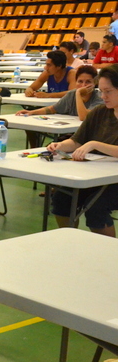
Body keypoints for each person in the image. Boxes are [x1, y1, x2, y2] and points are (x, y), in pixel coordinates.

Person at [47, 66, 118, 237]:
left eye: (108, 91)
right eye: (101, 91)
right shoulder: (100, 112)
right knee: (62, 198)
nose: (103, 97)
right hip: (95, 175)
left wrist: (95, 144)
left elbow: (90, 143)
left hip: (114, 181)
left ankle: (108, 254)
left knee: (96, 207)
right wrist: (60, 146)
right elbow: (77, 140)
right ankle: (70, 241)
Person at [17, 65, 102, 121]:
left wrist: (78, 94)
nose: (83, 85)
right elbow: (53, 109)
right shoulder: (71, 94)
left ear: (95, 83)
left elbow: (84, 117)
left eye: (88, 82)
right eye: (80, 81)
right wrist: (32, 112)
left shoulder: (99, 97)